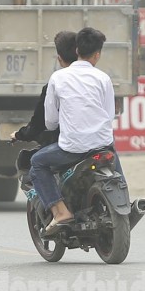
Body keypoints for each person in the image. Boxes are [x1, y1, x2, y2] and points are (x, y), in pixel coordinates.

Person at [29, 27, 117, 235]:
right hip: (102, 144)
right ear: (98, 54)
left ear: (77, 50)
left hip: (72, 148)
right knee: (112, 158)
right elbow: (109, 115)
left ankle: (60, 212)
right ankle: (124, 199)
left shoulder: (58, 78)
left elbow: (50, 121)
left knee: (37, 163)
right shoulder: (103, 78)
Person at [12, 30, 78, 147]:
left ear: (59, 59)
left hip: (70, 145)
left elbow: (47, 123)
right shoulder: (100, 79)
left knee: (37, 158)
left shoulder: (56, 81)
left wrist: (20, 135)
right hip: (100, 145)